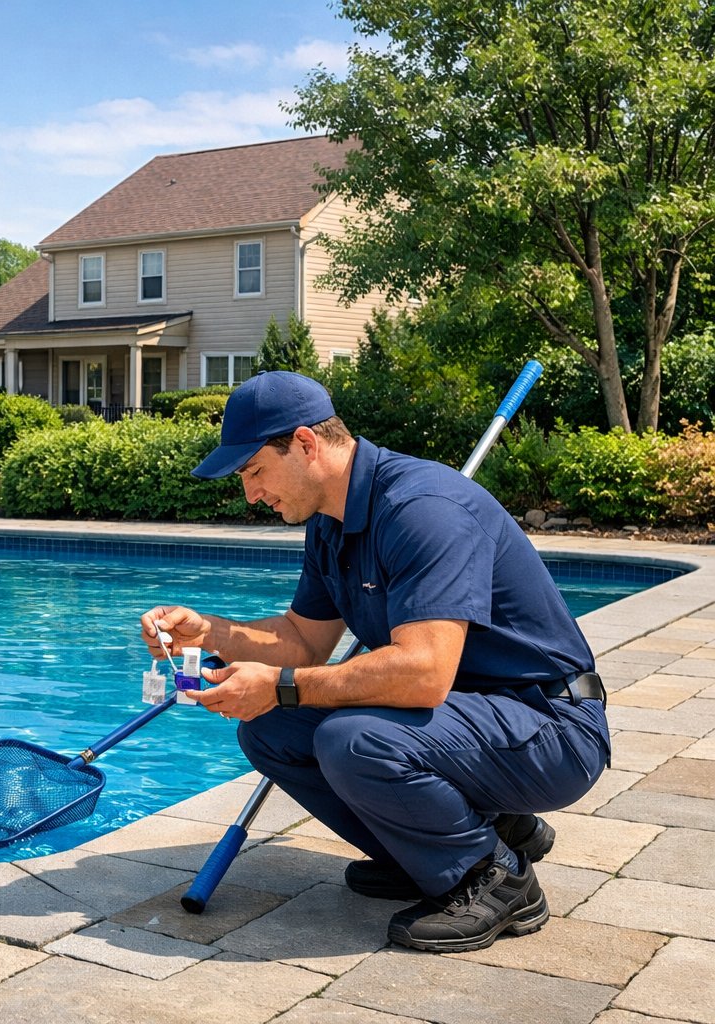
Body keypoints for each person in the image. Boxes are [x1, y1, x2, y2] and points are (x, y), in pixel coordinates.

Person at [141, 371, 608, 953]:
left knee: (354, 739)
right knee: (270, 728)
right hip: (465, 724)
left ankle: (489, 875)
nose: (250, 495)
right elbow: (302, 641)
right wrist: (210, 632)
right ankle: (426, 852)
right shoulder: (330, 523)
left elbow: (423, 672)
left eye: (254, 471)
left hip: (549, 726)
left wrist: (283, 686)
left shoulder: (421, 509)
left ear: (306, 444)